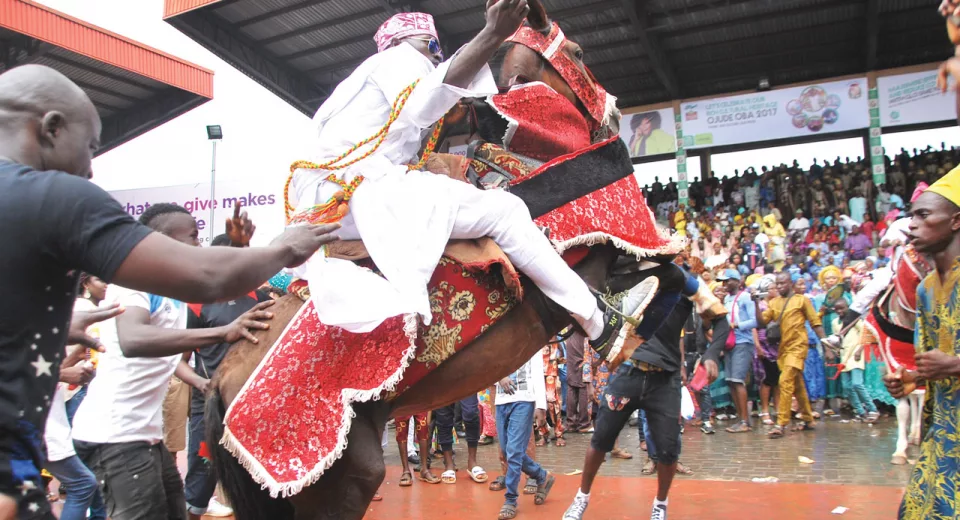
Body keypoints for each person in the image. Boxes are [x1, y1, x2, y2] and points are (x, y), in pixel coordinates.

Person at [0, 64, 338, 520]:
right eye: (91, 145)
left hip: (130, 437)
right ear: (52, 127)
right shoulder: (54, 196)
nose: (90, 167)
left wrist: (56, 325)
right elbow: (206, 278)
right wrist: (283, 248)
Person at [288, 4, 650, 364]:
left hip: (332, 204)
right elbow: (423, 106)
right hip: (360, 193)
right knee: (506, 212)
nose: (436, 56)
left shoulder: (358, 88)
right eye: (432, 47)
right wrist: (492, 33)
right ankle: (600, 323)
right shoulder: (399, 59)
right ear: (409, 43)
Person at [71, 204, 278, 520]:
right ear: (161, 241)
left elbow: (223, 283)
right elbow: (133, 339)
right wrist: (222, 332)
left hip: (143, 435)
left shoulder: (173, 287)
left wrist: (238, 248)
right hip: (115, 437)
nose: (198, 244)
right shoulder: (133, 283)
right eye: (193, 236)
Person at [562, 268, 729, 520]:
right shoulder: (627, 272)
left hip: (665, 379)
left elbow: (721, 320)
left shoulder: (687, 282)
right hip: (628, 373)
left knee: (668, 450)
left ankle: (660, 504)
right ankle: (581, 498)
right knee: (600, 440)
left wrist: (712, 354)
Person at [885, 165, 960, 519]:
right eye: (911, 215)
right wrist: (912, 378)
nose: (911, 225)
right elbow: (935, 363)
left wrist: (955, 365)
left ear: (956, 221)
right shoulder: (926, 290)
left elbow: (950, 363)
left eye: (923, 215)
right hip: (944, 437)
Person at [182, 230, 273, 519]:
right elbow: (179, 361)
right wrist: (202, 384)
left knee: (255, 477)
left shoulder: (261, 297)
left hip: (255, 405)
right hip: (211, 405)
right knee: (203, 472)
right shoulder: (196, 304)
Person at [758, 273, 829, 439]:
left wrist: (827, 346)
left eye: (783, 283)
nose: (780, 286)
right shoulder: (774, 302)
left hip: (798, 347)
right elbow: (762, 322)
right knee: (797, 385)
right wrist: (755, 303)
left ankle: (781, 423)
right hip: (783, 349)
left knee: (785, 381)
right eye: (777, 284)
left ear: (790, 283)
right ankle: (808, 419)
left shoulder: (802, 300)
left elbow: (815, 323)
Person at [494, 352, 554, 520]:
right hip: (501, 400)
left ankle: (510, 500)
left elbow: (537, 372)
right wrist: (500, 377)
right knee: (507, 451)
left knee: (514, 451)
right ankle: (541, 476)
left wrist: (540, 406)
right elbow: (489, 367)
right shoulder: (498, 342)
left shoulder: (531, 341)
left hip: (524, 400)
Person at [717, 269, 756, 433]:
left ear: (737, 281)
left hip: (742, 342)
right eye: (723, 281)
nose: (724, 284)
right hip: (729, 343)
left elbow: (754, 321)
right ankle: (740, 419)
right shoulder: (726, 299)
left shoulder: (745, 297)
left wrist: (737, 325)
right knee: (731, 381)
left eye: (728, 281)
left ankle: (745, 421)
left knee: (738, 380)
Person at [832, 299, 878, 422]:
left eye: (842, 308)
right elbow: (837, 340)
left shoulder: (855, 320)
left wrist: (859, 350)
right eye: (837, 309)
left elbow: (865, 335)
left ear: (848, 307)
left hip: (855, 355)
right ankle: (860, 411)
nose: (839, 311)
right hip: (844, 357)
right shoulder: (835, 322)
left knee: (857, 384)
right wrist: (836, 350)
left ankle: (872, 409)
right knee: (846, 387)